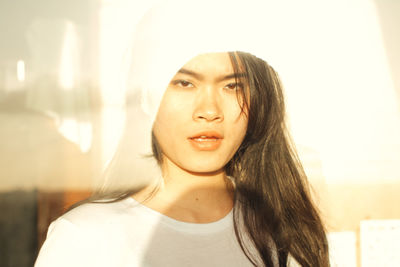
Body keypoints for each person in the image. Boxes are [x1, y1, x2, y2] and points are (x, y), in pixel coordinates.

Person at [35, 1, 330, 267]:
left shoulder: (286, 235)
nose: (209, 110)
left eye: (232, 86)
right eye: (185, 83)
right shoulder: (85, 238)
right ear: (145, 96)